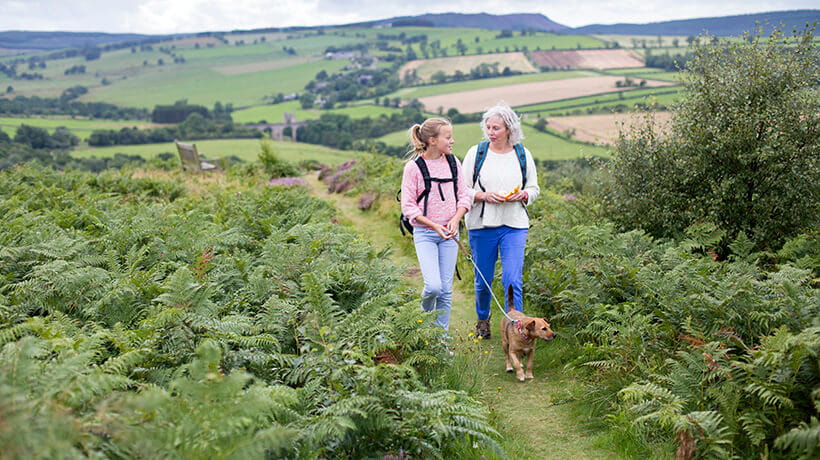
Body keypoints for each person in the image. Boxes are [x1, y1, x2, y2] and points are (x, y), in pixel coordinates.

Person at [462, 102, 540, 339]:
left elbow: (534, 188)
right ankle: (482, 320)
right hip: (482, 225)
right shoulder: (476, 153)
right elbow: (462, 189)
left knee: (512, 278)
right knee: (483, 280)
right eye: (488, 127)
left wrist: (524, 195)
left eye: (496, 127)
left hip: (514, 224)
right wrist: (483, 195)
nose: (491, 132)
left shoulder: (522, 154)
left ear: (509, 129)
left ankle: (517, 329)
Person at [401, 118, 471, 331]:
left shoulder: (453, 163)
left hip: (450, 234)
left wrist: (455, 219)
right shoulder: (413, 168)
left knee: (446, 291)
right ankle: (421, 324)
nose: (452, 141)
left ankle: (441, 342)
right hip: (425, 234)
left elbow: (464, 196)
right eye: (448, 137)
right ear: (432, 140)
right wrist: (434, 225)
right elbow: (408, 207)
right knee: (433, 287)